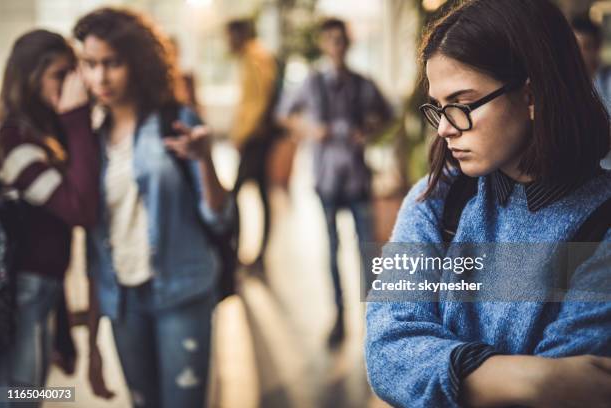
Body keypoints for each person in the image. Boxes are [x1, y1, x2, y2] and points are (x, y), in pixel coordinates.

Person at [365, 0, 611, 407]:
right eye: (438, 108)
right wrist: (535, 382)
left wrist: (439, 368)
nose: (444, 128)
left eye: (461, 104)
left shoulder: (600, 223)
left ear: (532, 94)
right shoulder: (439, 199)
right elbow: (387, 350)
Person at [74, 8, 232, 408]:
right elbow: (93, 247)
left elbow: (219, 215)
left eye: (112, 63)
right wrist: (92, 344)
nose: (100, 78)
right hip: (123, 303)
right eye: (90, 65)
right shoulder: (89, 140)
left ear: (137, 62)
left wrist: (204, 159)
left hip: (181, 292)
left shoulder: (175, 122)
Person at [278, 18, 392, 345]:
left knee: (367, 251)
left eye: (340, 40)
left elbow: (386, 113)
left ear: (348, 43)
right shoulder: (310, 84)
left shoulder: (362, 83)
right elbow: (283, 114)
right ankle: (338, 316)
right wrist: (309, 130)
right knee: (331, 249)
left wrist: (368, 132)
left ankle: (375, 320)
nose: (336, 46)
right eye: (330, 40)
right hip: (326, 177)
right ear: (323, 44)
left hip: (356, 176)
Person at [0, 29, 100, 401]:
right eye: (61, 74)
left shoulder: (44, 132)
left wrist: (64, 337)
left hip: (43, 289)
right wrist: (76, 119)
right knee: (19, 395)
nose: (73, 84)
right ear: (30, 77)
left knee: (33, 393)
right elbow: (80, 209)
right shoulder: (14, 141)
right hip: (25, 291)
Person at [226, 18, 279, 269]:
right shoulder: (252, 56)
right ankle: (257, 254)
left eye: (230, 36)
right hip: (254, 136)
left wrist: (242, 135)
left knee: (238, 193)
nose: (228, 42)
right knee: (259, 193)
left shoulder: (255, 57)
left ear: (240, 34)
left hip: (256, 138)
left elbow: (259, 102)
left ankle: (239, 250)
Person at [571, 16, 611, 169]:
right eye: (574, 47)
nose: (579, 54)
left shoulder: (607, 83)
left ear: (597, 48)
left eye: (586, 47)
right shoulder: (565, 87)